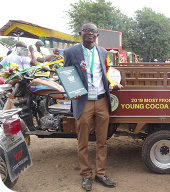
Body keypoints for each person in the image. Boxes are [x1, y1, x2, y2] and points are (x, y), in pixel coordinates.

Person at [64, 22, 120, 191]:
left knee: (102, 140)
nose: (90, 33)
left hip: (102, 100)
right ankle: (86, 175)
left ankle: (101, 174)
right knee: (83, 141)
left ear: (97, 35)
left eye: (93, 31)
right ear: (81, 33)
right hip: (83, 101)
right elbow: (66, 75)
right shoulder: (71, 52)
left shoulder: (103, 52)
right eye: (87, 30)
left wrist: (114, 82)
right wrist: (72, 91)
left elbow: (106, 73)